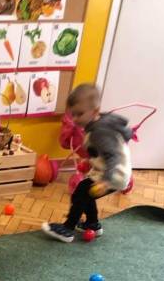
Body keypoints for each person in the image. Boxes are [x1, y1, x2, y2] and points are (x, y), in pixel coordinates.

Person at [42, 83, 133, 242]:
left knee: (81, 192)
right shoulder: (97, 124)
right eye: (73, 114)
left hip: (114, 173)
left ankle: (68, 228)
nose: (75, 119)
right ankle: (92, 224)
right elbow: (100, 151)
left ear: (95, 111)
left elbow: (113, 156)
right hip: (109, 170)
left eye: (80, 114)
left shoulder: (99, 132)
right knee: (87, 194)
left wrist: (106, 181)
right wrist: (90, 160)